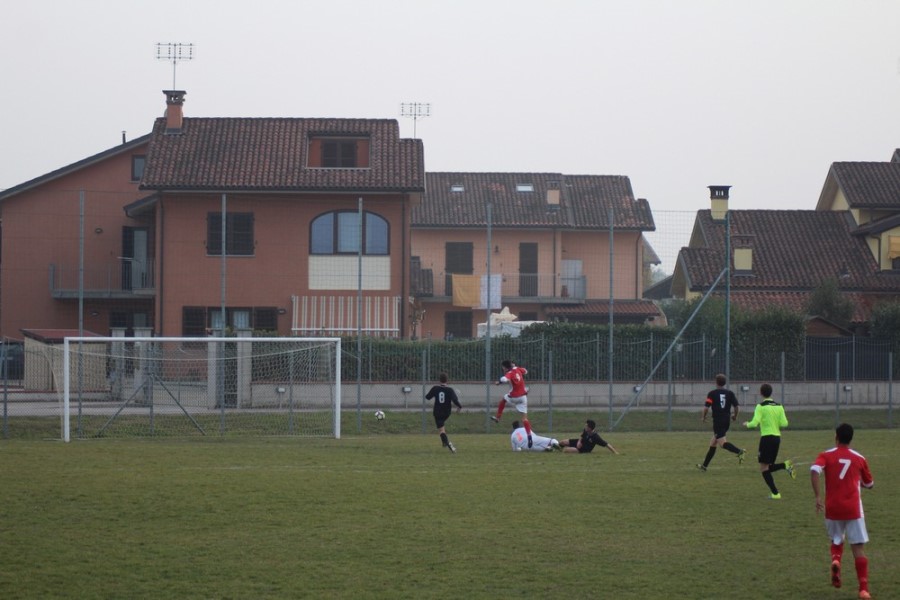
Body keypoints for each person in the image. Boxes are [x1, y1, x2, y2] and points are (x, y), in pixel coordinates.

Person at [810, 423, 875, 599]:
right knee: (858, 548)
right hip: (853, 508)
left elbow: (814, 470)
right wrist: (858, 481)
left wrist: (817, 496)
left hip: (832, 507)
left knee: (837, 539)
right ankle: (863, 589)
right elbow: (869, 484)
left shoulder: (826, 455)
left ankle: (836, 560)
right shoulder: (859, 458)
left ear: (836, 437)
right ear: (851, 438)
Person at [743, 383, 794, 499]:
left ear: (761, 393)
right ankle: (785, 465)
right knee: (767, 466)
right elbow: (785, 423)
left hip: (766, 438)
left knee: (764, 468)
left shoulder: (760, 406)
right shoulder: (779, 406)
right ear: (771, 393)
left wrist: (747, 424)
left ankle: (776, 493)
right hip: (777, 438)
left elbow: (754, 423)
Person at [697, 373, 746, 471]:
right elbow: (737, 407)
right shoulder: (730, 393)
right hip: (726, 420)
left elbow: (706, 407)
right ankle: (704, 466)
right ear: (724, 383)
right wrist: (735, 416)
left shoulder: (712, 393)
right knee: (713, 443)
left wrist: (703, 417)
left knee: (722, 444)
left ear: (716, 382)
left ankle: (740, 452)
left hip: (718, 421)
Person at [491, 360, 533, 447]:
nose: (502, 369)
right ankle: (529, 436)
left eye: (503, 367)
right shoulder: (518, 369)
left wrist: (500, 381)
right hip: (523, 397)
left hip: (514, 397)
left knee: (503, 400)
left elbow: (504, 379)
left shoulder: (509, 373)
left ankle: (498, 418)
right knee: (525, 419)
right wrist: (499, 382)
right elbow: (525, 371)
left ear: (505, 367)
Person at [424, 372, 462, 453]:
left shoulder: (435, 388)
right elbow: (455, 400)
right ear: (447, 380)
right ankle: (444, 442)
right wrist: (459, 407)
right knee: (442, 429)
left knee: (441, 430)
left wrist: (433, 393)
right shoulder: (450, 390)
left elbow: (427, 397)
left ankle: (449, 444)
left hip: (437, 412)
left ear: (439, 380)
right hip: (446, 412)